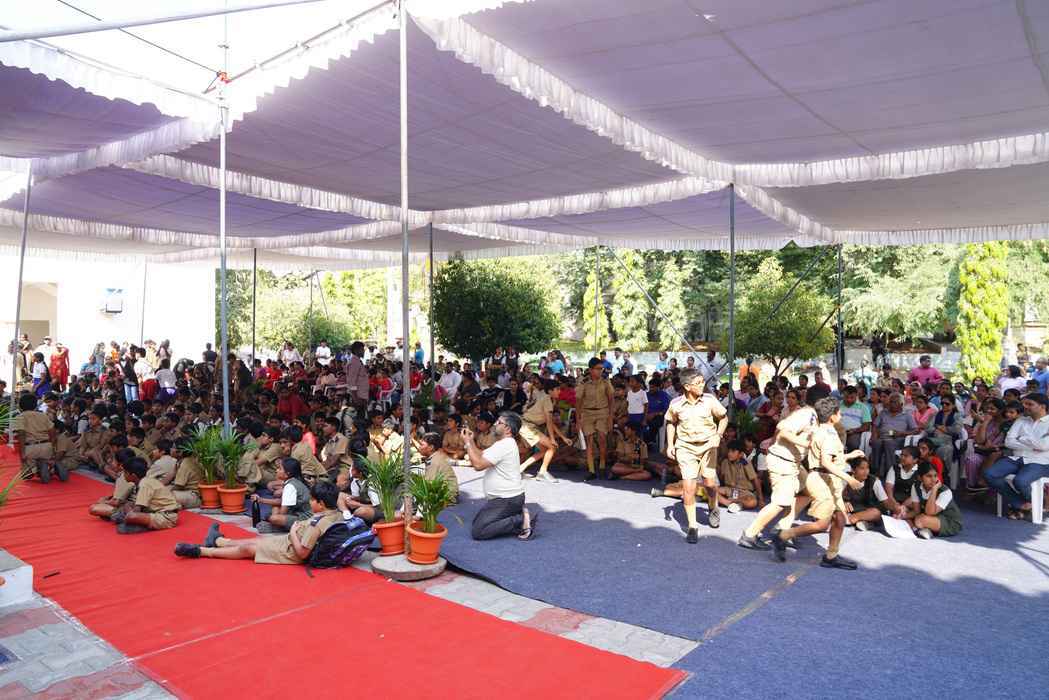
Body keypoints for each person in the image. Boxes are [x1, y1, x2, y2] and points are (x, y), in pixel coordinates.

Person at [771, 397, 864, 569]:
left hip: (828, 478)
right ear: (832, 416)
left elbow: (829, 458)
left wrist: (848, 456)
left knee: (840, 519)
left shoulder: (826, 430)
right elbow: (826, 463)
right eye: (839, 411)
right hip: (822, 480)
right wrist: (850, 479)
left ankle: (831, 555)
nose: (841, 414)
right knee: (822, 525)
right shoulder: (827, 434)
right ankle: (783, 535)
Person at [174, 481, 342, 563]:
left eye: (312, 500)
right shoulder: (336, 514)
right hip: (291, 541)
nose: (310, 503)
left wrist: (292, 532)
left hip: (291, 551)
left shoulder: (316, 524)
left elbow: (302, 553)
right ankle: (218, 541)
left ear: (321, 503)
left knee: (248, 549)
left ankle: (201, 551)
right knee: (257, 541)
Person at [664, 368, 728, 543]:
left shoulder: (710, 400)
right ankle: (692, 526)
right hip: (685, 448)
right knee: (689, 487)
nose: (702, 385)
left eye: (702, 382)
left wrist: (718, 435)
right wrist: (670, 445)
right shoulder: (676, 404)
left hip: (708, 446)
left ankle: (713, 506)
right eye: (698, 383)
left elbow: (724, 418)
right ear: (687, 386)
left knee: (709, 484)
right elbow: (670, 423)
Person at [464, 412, 537, 541]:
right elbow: (481, 454)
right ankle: (517, 512)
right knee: (478, 522)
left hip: (507, 499)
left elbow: (478, 465)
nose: (495, 424)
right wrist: (470, 440)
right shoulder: (504, 443)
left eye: (499, 422)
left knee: (479, 531)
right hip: (504, 499)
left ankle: (521, 520)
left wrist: (468, 443)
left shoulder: (505, 445)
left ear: (507, 428)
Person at [984, 393, 1049, 520]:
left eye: (1029, 404)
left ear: (1042, 406)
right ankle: (1022, 504)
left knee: (1020, 481)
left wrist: (1021, 438)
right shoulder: (1021, 420)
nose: (1025, 406)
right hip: (1016, 458)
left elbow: (1044, 446)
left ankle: (1027, 505)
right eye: (1024, 403)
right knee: (989, 474)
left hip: (1041, 461)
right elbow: (1008, 442)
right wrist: (1033, 444)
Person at [518, 378, 569, 483]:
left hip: (525, 425)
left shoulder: (543, 395)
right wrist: (553, 439)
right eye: (557, 389)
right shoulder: (547, 400)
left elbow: (549, 421)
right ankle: (542, 472)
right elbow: (549, 422)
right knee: (551, 447)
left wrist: (563, 437)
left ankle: (520, 469)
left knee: (545, 450)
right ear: (550, 391)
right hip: (528, 426)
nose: (559, 391)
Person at [896, 462, 963, 538]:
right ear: (920, 478)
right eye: (929, 476)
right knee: (902, 511)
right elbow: (916, 511)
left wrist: (934, 490)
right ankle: (923, 529)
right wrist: (901, 516)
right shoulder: (916, 486)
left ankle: (917, 528)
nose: (933, 479)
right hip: (929, 516)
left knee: (920, 520)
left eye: (935, 476)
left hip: (949, 521)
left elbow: (930, 512)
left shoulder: (945, 491)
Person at [576, 358, 614, 481]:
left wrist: (610, 417)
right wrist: (578, 420)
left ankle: (602, 467)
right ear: (591, 370)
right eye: (598, 369)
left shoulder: (606, 382)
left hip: (603, 412)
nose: (600, 371)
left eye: (601, 369)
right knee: (589, 442)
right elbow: (578, 402)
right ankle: (591, 470)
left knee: (602, 439)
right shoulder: (584, 383)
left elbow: (611, 399)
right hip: (587, 413)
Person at [253, 458, 312, 533]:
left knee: (274, 518)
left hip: (305, 519)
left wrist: (272, 518)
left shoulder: (290, 486)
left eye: (280, 469)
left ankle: (279, 527)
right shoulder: (293, 481)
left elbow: (282, 513)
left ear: (287, 474)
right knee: (273, 509)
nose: (276, 470)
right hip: (297, 513)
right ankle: (277, 525)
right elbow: (280, 502)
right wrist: (260, 500)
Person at [869, 393, 918, 477]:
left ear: (901, 404)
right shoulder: (884, 412)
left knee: (888, 443)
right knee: (876, 443)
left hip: (898, 439)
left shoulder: (907, 415)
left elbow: (915, 430)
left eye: (894, 402)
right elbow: (875, 426)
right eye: (890, 402)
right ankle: (875, 469)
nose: (891, 404)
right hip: (882, 437)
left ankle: (890, 471)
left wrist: (901, 433)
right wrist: (873, 436)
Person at [12, 393, 58, 482]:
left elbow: (21, 434)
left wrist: (22, 453)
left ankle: (35, 469)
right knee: (45, 458)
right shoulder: (43, 415)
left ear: (20, 406)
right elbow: (53, 431)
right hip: (46, 446)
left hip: (30, 448)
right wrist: (52, 446)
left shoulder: (19, 417)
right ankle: (49, 467)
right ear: (35, 405)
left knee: (26, 476)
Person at [716, 440, 763, 512]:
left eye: (733, 451)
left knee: (753, 502)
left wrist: (760, 499)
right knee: (710, 490)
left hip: (744, 492)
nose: (729, 454)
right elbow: (721, 479)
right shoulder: (725, 462)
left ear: (741, 454)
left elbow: (755, 480)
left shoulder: (746, 463)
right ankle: (729, 503)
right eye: (729, 451)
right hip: (729, 489)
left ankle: (733, 502)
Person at [843, 457, 889, 531]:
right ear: (853, 470)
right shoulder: (846, 478)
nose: (866, 471)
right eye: (862, 468)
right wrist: (844, 502)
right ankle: (858, 521)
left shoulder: (874, 481)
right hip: (850, 510)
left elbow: (885, 502)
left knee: (876, 513)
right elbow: (836, 495)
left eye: (867, 468)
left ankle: (853, 519)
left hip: (867, 512)